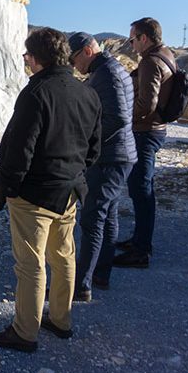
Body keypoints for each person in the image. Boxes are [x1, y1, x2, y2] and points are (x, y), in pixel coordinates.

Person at [0, 28, 101, 353]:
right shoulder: (87, 93)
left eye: (27, 55)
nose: (25, 60)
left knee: (30, 264)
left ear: (36, 58)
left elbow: (21, 147)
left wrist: (11, 187)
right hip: (69, 191)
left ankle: (25, 332)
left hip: (34, 194)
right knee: (63, 257)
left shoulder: (36, 92)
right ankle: (61, 320)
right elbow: (94, 149)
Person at [68, 33, 137, 301]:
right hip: (117, 155)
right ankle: (100, 274)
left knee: (92, 219)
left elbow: (117, 119)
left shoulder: (107, 74)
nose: (74, 65)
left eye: (74, 59)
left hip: (110, 157)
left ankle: (81, 285)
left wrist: (88, 144)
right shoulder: (107, 70)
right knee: (107, 216)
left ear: (87, 51)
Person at [114, 17, 176, 269]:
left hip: (144, 132)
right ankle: (140, 240)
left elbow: (147, 104)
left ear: (144, 38)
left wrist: (123, 117)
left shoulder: (150, 61)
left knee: (141, 191)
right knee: (143, 189)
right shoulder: (166, 55)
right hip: (153, 131)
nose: (131, 45)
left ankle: (140, 251)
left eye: (133, 40)